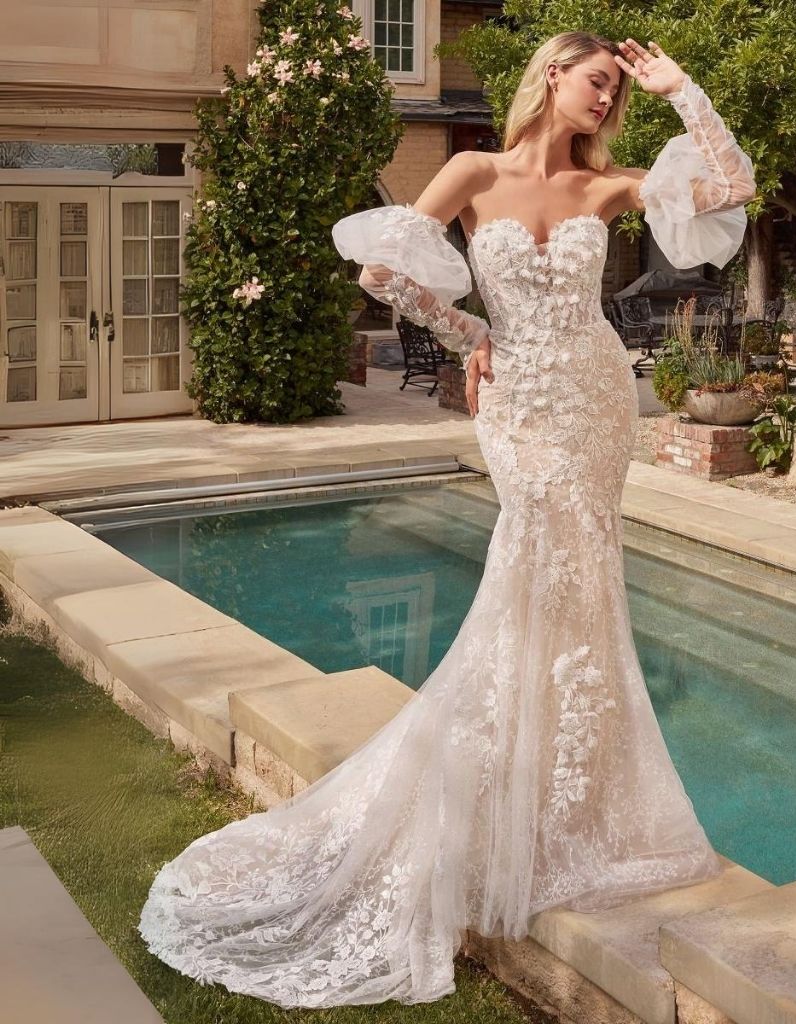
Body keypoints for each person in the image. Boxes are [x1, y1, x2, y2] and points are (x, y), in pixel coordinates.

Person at [138, 32, 756, 1009]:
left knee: (580, 585)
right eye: (597, 82)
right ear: (552, 75)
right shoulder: (471, 170)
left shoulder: (606, 187)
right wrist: (470, 333)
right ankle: (499, 799)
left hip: (595, 398)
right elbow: (382, 275)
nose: (607, 100)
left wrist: (682, 90)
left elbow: (728, 189)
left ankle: (565, 807)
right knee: (534, 565)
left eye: (616, 91)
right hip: (519, 401)